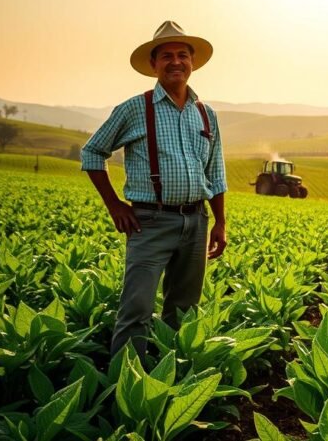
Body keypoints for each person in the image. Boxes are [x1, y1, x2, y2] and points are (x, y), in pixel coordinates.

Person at [81, 20, 227, 358]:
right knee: (136, 311)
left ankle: (168, 379)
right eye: (166, 56)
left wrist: (219, 223)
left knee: (184, 313)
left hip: (196, 222)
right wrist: (115, 205)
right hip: (150, 221)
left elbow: (216, 173)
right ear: (153, 65)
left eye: (182, 55)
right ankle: (125, 389)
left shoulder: (207, 115)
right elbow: (92, 152)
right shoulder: (135, 108)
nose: (176, 62)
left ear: (192, 62)